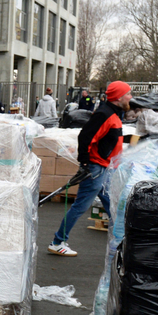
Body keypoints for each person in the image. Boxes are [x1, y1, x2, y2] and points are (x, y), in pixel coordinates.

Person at [48, 80, 132, 257]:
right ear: (119, 97)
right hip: (95, 168)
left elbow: (109, 138)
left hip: (104, 168)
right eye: (128, 94)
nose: (131, 97)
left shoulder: (114, 114)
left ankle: (122, 239)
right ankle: (57, 242)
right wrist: (85, 163)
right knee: (80, 206)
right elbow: (85, 137)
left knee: (111, 202)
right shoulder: (105, 114)